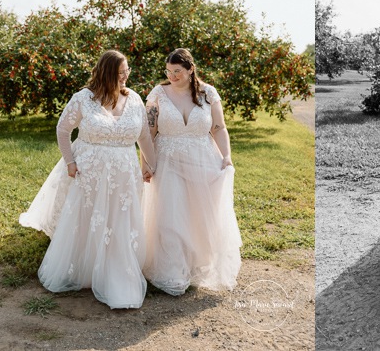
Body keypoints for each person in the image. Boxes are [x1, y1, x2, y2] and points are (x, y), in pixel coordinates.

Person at [19, 50, 156, 309]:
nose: (126, 76)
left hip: (124, 174)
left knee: (117, 218)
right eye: (120, 73)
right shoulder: (83, 99)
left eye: (127, 71)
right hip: (89, 172)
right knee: (89, 217)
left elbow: (144, 138)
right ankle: (83, 268)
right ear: (106, 73)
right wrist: (70, 161)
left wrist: (151, 165)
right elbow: (63, 129)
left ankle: (115, 270)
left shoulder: (135, 99)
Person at [142, 48, 242, 295]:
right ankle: (173, 272)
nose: (172, 76)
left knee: (199, 215)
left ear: (190, 70)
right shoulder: (158, 93)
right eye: (168, 71)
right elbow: (148, 132)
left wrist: (226, 156)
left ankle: (197, 264)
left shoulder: (208, 93)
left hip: (203, 159)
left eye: (177, 71)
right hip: (168, 159)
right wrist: (146, 162)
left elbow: (219, 127)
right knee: (171, 213)